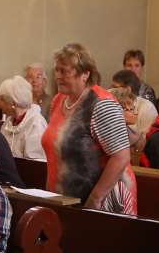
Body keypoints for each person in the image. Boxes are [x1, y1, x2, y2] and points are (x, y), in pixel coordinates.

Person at [43, 42, 137, 213]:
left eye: (64, 71)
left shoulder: (101, 105)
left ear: (85, 74)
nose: (58, 76)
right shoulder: (58, 100)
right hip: (66, 199)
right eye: (57, 70)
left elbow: (121, 157)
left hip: (100, 203)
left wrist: (95, 199)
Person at [0, 75, 47, 161]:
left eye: (2, 99)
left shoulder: (36, 124)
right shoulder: (8, 122)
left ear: (13, 103)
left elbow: (35, 163)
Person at [109, 70, 159, 150]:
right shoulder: (111, 104)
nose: (111, 91)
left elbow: (144, 144)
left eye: (115, 88)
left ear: (127, 90)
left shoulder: (147, 108)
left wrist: (129, 124)